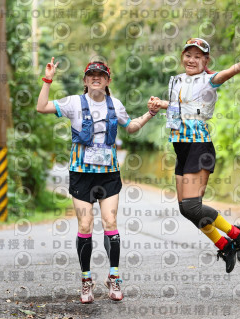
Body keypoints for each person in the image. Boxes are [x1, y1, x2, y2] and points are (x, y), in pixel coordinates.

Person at [37, 57, 159, 303]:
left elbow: (130, 127)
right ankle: (86, 280)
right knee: (85, 225)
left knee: (110, 221)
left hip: (109, 174)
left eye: (101, 75)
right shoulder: (73, 102)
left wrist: (150, 113)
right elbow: (42, 107)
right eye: (91, 74)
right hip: (81, 174)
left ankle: (114, 277)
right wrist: (47, 80)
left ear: (107, 81)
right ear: (85, 80)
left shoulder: (115, 104)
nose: (96, 78)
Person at [149, 38, 240, 273]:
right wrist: (161, 103)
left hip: (199, 146)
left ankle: (238, 233)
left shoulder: (209, 80)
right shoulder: (177, 80)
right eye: (188, 55)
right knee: (185, 208)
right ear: (182, 57)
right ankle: (225, 245)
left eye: (198, 56)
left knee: (192, 206)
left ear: (205, 60)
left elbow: (227, 73)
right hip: (181, 146)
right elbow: (181, 106)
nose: (191, 60)